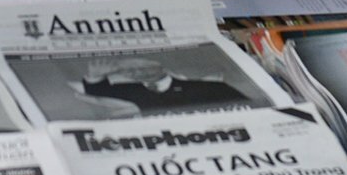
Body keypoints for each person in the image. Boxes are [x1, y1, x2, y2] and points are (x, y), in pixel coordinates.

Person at [79, 57, 250, 113]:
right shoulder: (129, 90)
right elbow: (97, 91)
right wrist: (95, 76)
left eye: (143, 68)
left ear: (161, 67)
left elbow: (247, 105)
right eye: (130, 71)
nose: (138, 73)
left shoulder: (209, 87)